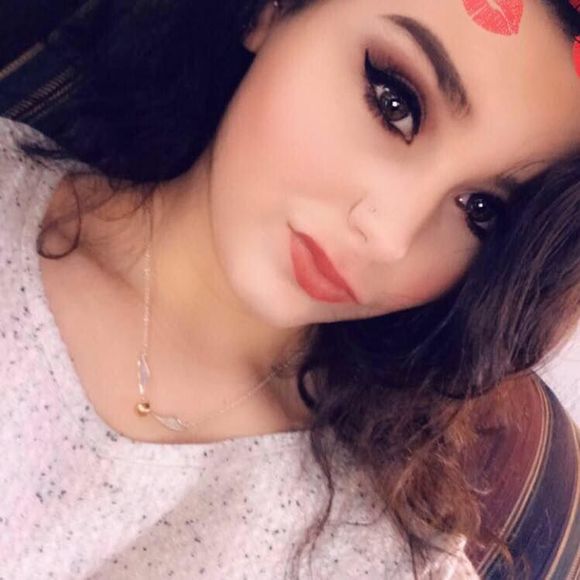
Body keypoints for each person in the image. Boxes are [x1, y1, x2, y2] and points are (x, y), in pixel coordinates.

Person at [0, 0, 578, 578]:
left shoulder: (376, 554)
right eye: (394, 103)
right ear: (268, 11)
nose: (389, 235)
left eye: (480, 211)